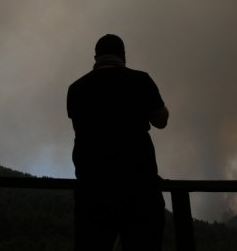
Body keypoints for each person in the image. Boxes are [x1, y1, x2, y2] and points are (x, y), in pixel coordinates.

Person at [66, 34, 169, 251]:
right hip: (139, 188)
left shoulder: (76, 89)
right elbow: (161, 121)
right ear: (123, 56)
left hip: (93, 189)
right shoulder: (141, 80)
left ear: (96, 57)